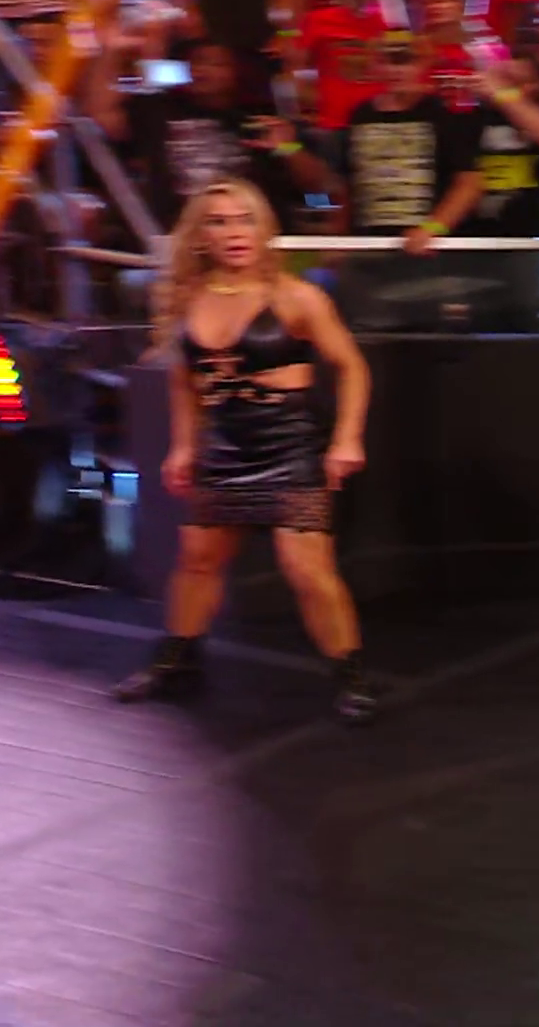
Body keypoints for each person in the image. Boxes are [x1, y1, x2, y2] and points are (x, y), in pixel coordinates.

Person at [113, 178, 378, 724]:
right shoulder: (188, 298)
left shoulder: (296, 296)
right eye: (219, 221)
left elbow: (352, 366)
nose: (234, 232)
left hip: (290, 445)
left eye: (245, 219)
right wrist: (183, 448)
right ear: (201, 235)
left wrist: (347, 437)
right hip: (226, 446)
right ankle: (178, 660)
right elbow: (185, 382)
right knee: (198, 558)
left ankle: (350, 675)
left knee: (306, 568)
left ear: (263, 229)